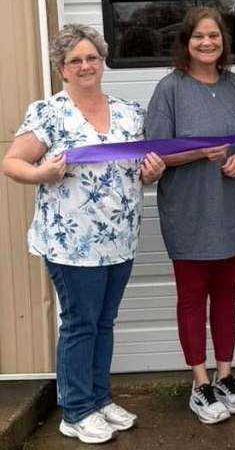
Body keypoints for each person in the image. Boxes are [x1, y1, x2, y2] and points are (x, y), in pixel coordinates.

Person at [1, 24, 165, 444]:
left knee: (104, 322)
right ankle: (75, 410)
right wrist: (43, 172)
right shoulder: (48, 113)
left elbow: (139, 167)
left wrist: (152, 172)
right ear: (62, 69)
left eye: (92, 57)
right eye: (75, 60)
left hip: (120, 236)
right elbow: (12, 162)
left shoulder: (130, 112)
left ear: (103, 61)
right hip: (72, 243)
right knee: (80, 323)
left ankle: (98, 398)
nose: (86, 65)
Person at [144, 6, 235, 424]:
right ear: (186, 43)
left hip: (232, 208)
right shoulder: (170, 89)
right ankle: (200, 382)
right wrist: (197, 152)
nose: (207, 43)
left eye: (214, 36)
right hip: (188, 210)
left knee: (227, 295)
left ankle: (226, 376)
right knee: (192, 298)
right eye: (199, 37)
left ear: (223, 42)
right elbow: (153, 155)